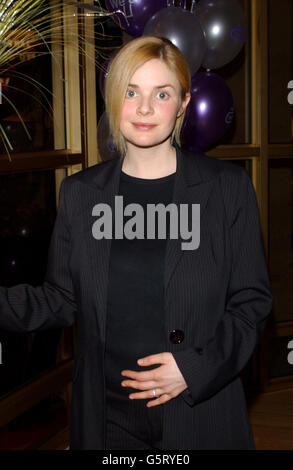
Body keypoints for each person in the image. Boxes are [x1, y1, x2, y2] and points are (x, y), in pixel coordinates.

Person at [0, 36, 273, 450]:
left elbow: (252, 304)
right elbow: (61, 298)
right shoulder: (80, 194)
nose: (145, 108)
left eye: (161, 93)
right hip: (108, 416)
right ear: (114, 100)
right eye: (131, 92)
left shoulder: (226, 189)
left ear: (182, 104)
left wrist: (193, 370)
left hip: (198, 411)